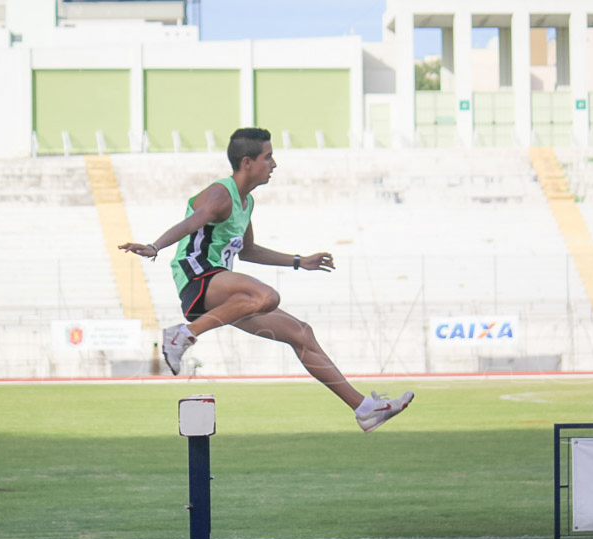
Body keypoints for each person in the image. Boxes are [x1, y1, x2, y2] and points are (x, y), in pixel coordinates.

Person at [119, 127, 413, 433]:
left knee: (301, 334)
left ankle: (365, 409)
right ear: (247, 162)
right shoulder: (222, 194)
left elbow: (247, 251)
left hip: (222, 291)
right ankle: (183, 334)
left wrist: (299, 261)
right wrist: (155, 246)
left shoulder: (247, 202)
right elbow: (191, 222)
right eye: (268, 157)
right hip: (197, 277)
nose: (274, 164)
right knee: (267, 296)